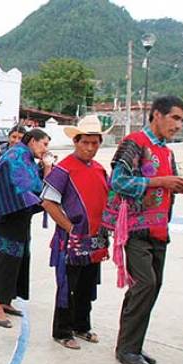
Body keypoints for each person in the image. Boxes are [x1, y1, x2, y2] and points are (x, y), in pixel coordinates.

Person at [101, 95, 183, 364]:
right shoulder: (134, 142)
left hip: (160, 230)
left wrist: (179, 185)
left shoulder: (167, 152)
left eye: (182, 120)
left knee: (150, 288)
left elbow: (165, 186)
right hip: (136, 229)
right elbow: (118, 181)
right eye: (175, 118)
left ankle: (132, 346)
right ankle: (127, 349)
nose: (178, 125)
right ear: (156, 115)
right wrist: (161, 181)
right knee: (145, 284)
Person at [42, 115, 110, 349]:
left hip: (95, 239)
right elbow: (48, 202)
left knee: (87, 285)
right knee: (67, 286)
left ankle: (82, 326)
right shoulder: (63, 170)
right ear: (76, 142)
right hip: (71, 240)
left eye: (95, 143)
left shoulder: (100, 170)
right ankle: (62, 331)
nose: (90, 148)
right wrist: (70, 228)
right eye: (85, 142)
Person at [0, 129, 53, 328]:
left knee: (17, 260)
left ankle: (6, 300)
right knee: (3, 260)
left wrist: (45, 169)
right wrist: (47, 172)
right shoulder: (15, 156)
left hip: (19, 217)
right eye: (44, 144)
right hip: (7, 215)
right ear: (33, 141)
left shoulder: (25, 157)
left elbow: (34, 183)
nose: (45, 149)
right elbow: (23, 188)